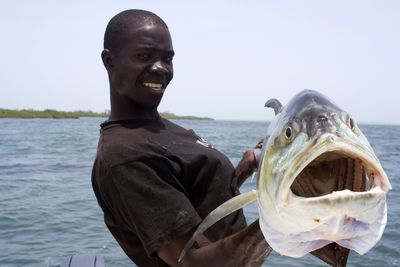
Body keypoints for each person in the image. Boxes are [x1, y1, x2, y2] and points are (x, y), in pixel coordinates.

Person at [91, 9, 271, 267]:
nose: (160, 68)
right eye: (144, 56)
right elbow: (196, 263)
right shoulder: (126, 156)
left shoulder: (157, 127)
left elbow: (199, 194)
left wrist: (242, 169)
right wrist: (283, 218)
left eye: (168, 58)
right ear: (109, 61)